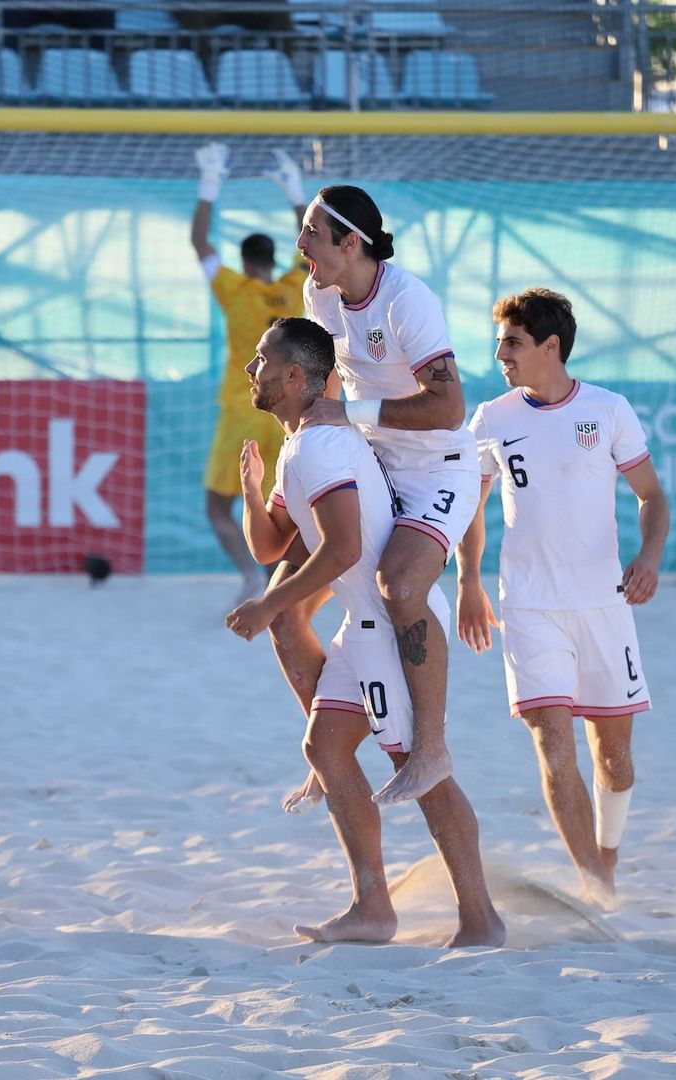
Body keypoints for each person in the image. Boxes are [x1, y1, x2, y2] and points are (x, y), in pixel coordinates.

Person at [225, 317, 505, 948]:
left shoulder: (322, 446)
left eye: (261, 360)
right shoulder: (303, 441)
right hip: (361, 625)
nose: (252, 369)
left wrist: (273, 609)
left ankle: (481, 919)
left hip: (384, 629)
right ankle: (372, 909)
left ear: (295, 376)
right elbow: (272, 546)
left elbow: (344, 550)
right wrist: (250, 491)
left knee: (420, 770)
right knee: (325, 750)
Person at [455, 288, 670, 899]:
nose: (501, 353)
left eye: (513, 342)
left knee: (615, 760)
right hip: (527, 607)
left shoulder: (608, 410)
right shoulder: (492, 419)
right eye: (499, 342)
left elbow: (651, 496)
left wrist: (648, 557)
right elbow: (472, 511)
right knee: (553, 748)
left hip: (605, 605)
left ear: (551, 347)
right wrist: (469, 581)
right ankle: (595, 886)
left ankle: (607, 858)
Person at [272, 185, 480, 807]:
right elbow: (326, 375)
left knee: (402, 585)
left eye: (311, 232)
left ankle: (431, 750)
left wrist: (348, 412)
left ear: (351, 242)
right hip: (375, 459)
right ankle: (326, 743)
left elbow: (449, 408)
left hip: (437, 469)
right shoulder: (321, 293)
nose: (301, 243)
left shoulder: (406, 300)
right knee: (285, 610)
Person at [191, 142, 309, 604]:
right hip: (287, 413)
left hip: (243, 408)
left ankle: (248, 573)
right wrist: (295, 191)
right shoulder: (294, 286)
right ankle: (291, 579)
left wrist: (210, 181)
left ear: (245, 262)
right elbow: (312, 244)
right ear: (273, 258)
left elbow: (200, 244)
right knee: (288, 507)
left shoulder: (235, 291)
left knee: (218, 507)